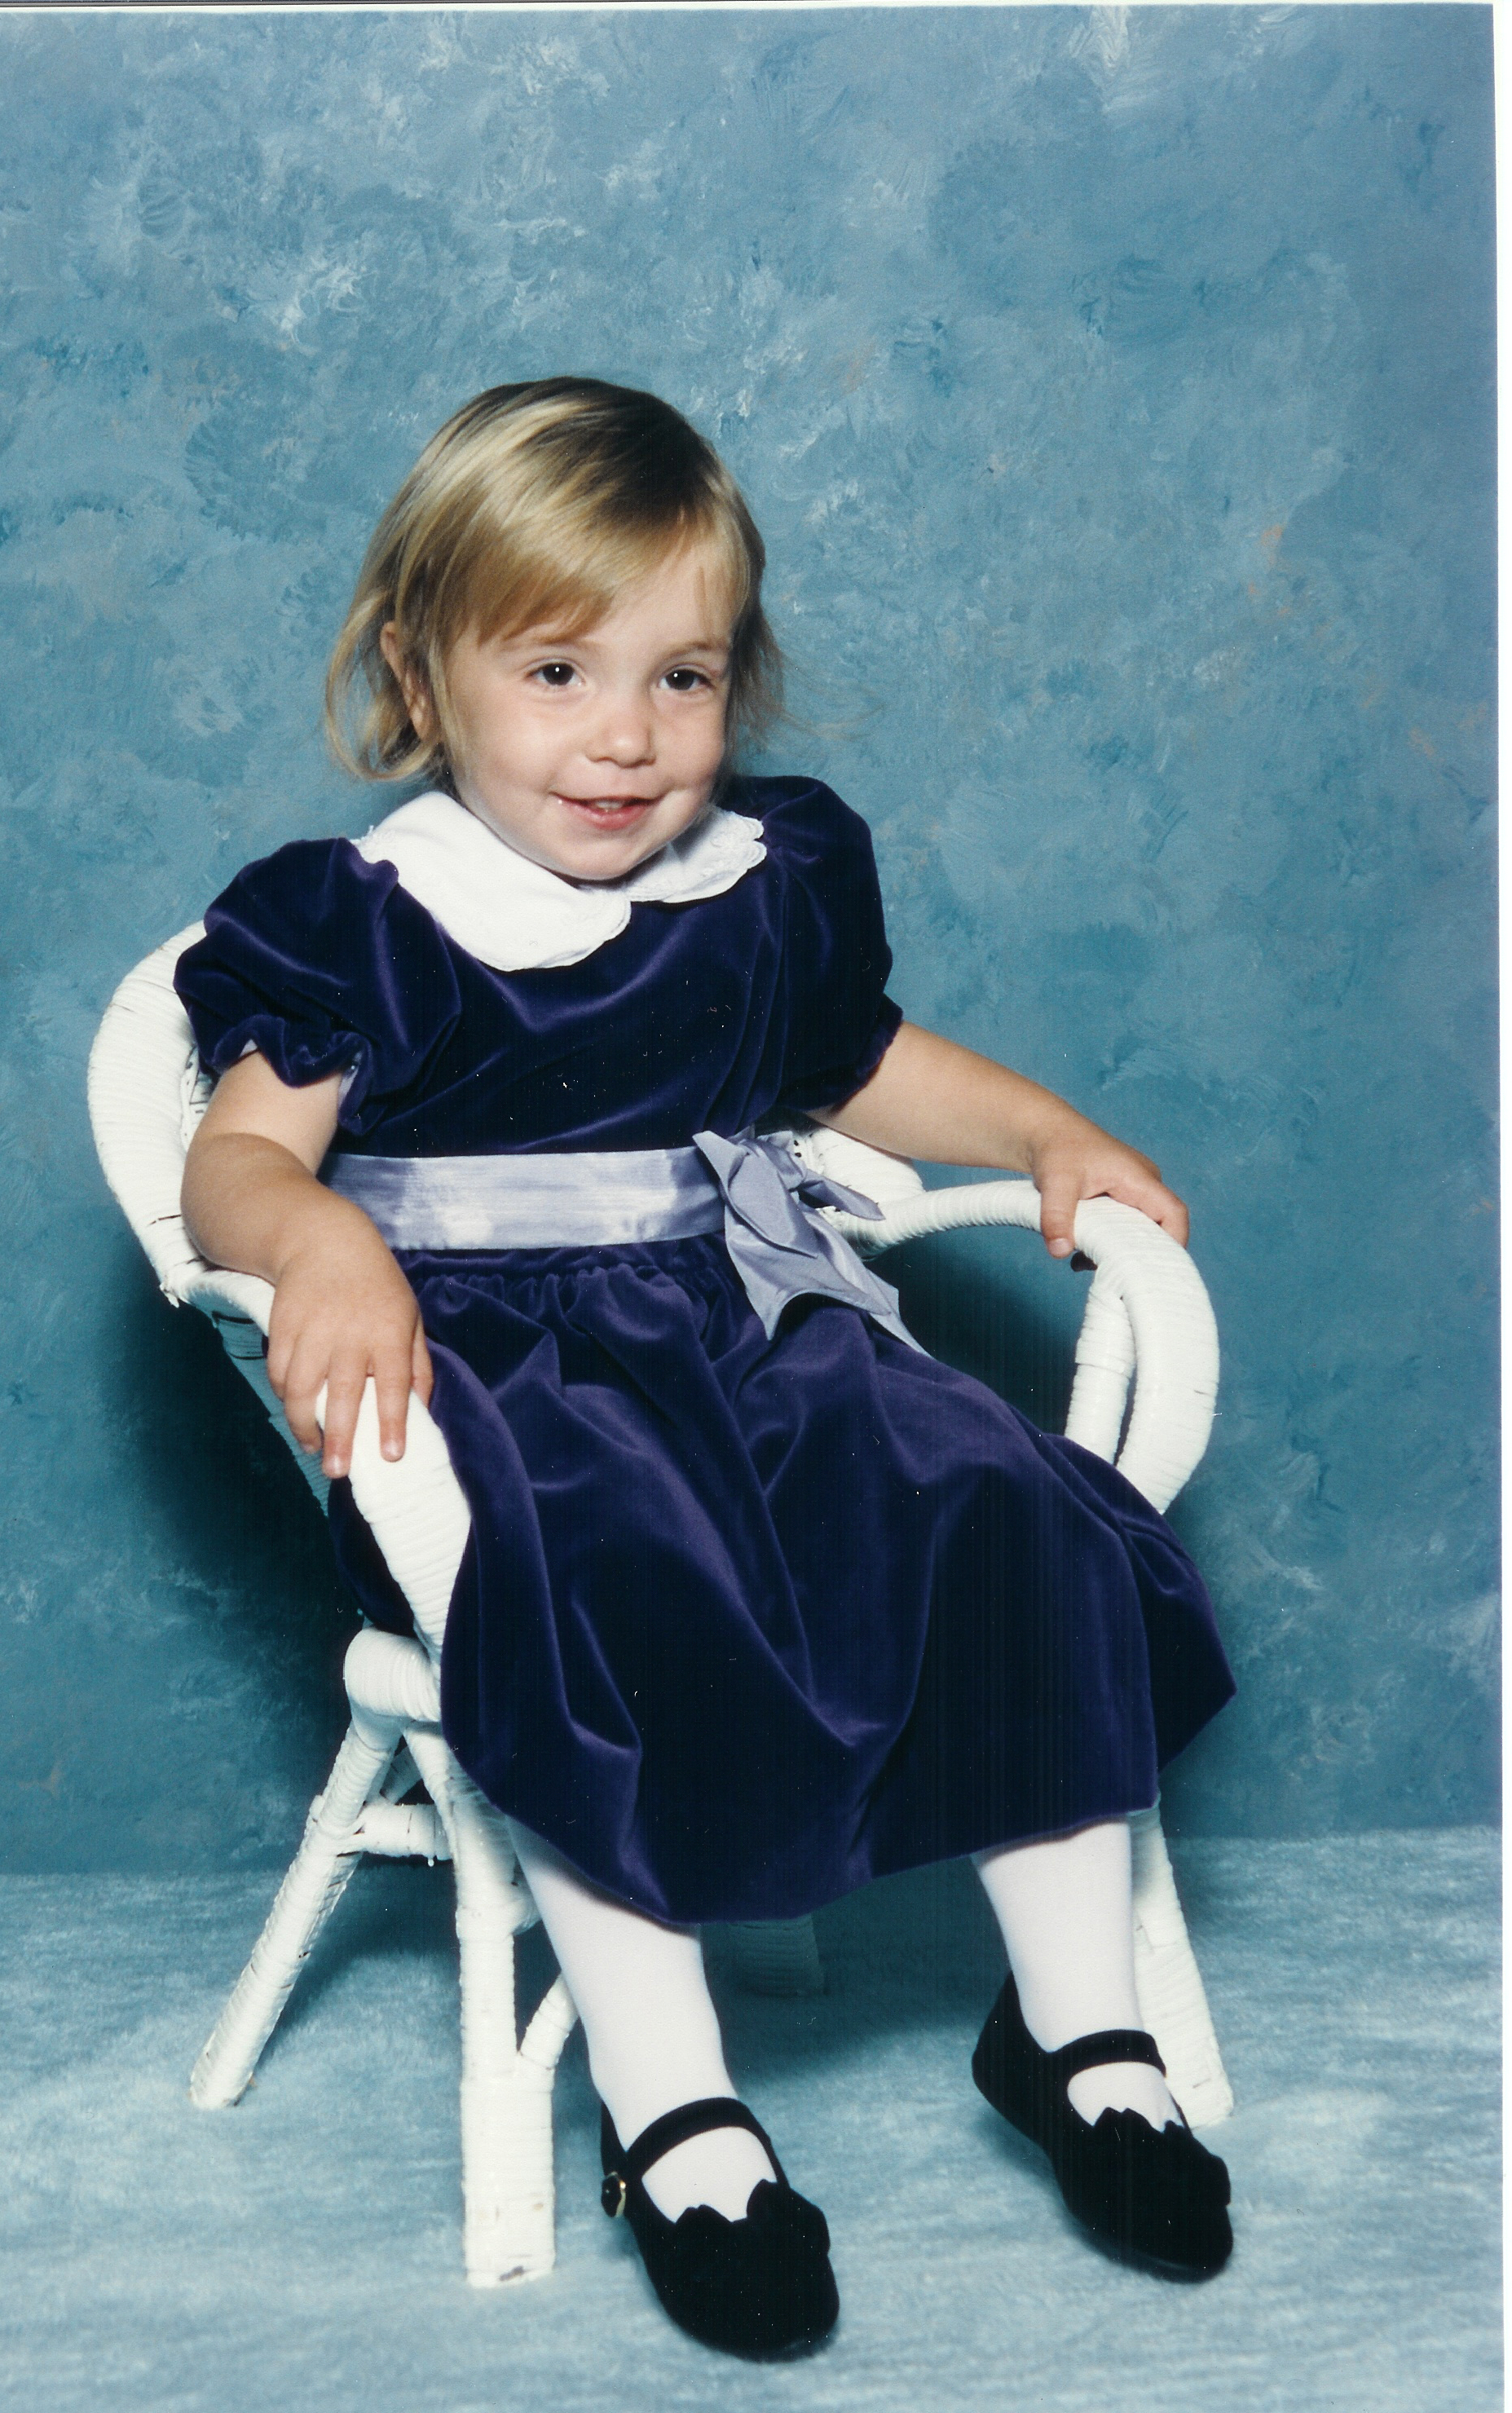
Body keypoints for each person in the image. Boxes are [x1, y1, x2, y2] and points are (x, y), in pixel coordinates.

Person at [174, 378, 1236, 2358]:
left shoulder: (757, 879)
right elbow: (234, 1159)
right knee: (606, 1594)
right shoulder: (369, 920)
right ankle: (673, 2108)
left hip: (743, 1335)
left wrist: (1037, 1131)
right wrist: (313, 1239)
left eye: (682, 676)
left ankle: (1079, 2033)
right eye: (556, 670)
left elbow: (851, 1067)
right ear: (415, 672)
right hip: (497, 1397)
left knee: (1001, 1504)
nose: (627, 735)